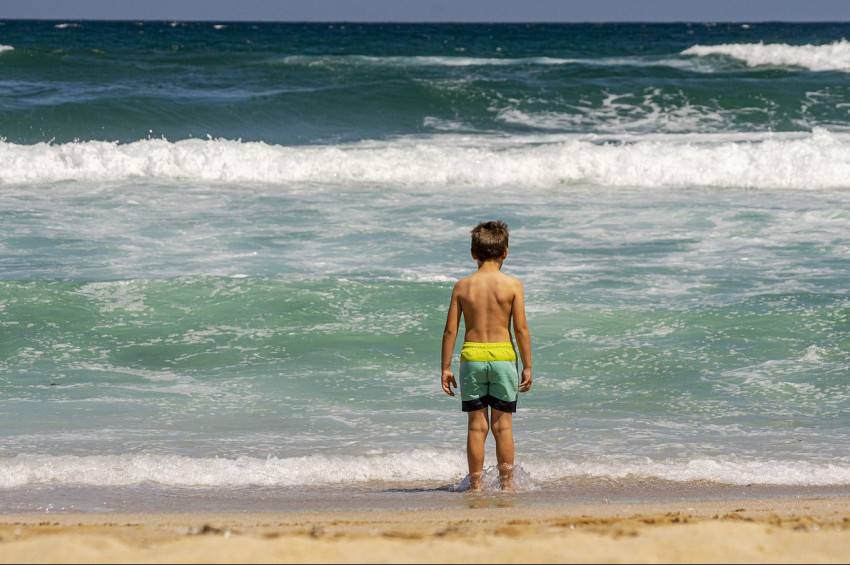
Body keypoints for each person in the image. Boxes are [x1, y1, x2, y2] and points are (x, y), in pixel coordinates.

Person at [441, 220, 532, 491]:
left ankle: (476, 486)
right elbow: (521, 328)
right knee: (503, 427)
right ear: (505, 252)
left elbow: (450, 331)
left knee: (476, 427)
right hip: (504, 358)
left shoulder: (462, 286)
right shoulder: (513, 285)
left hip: (472, 358)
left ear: (473, 253)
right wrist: (527, 366)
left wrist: (445, 367)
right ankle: (507, 485)